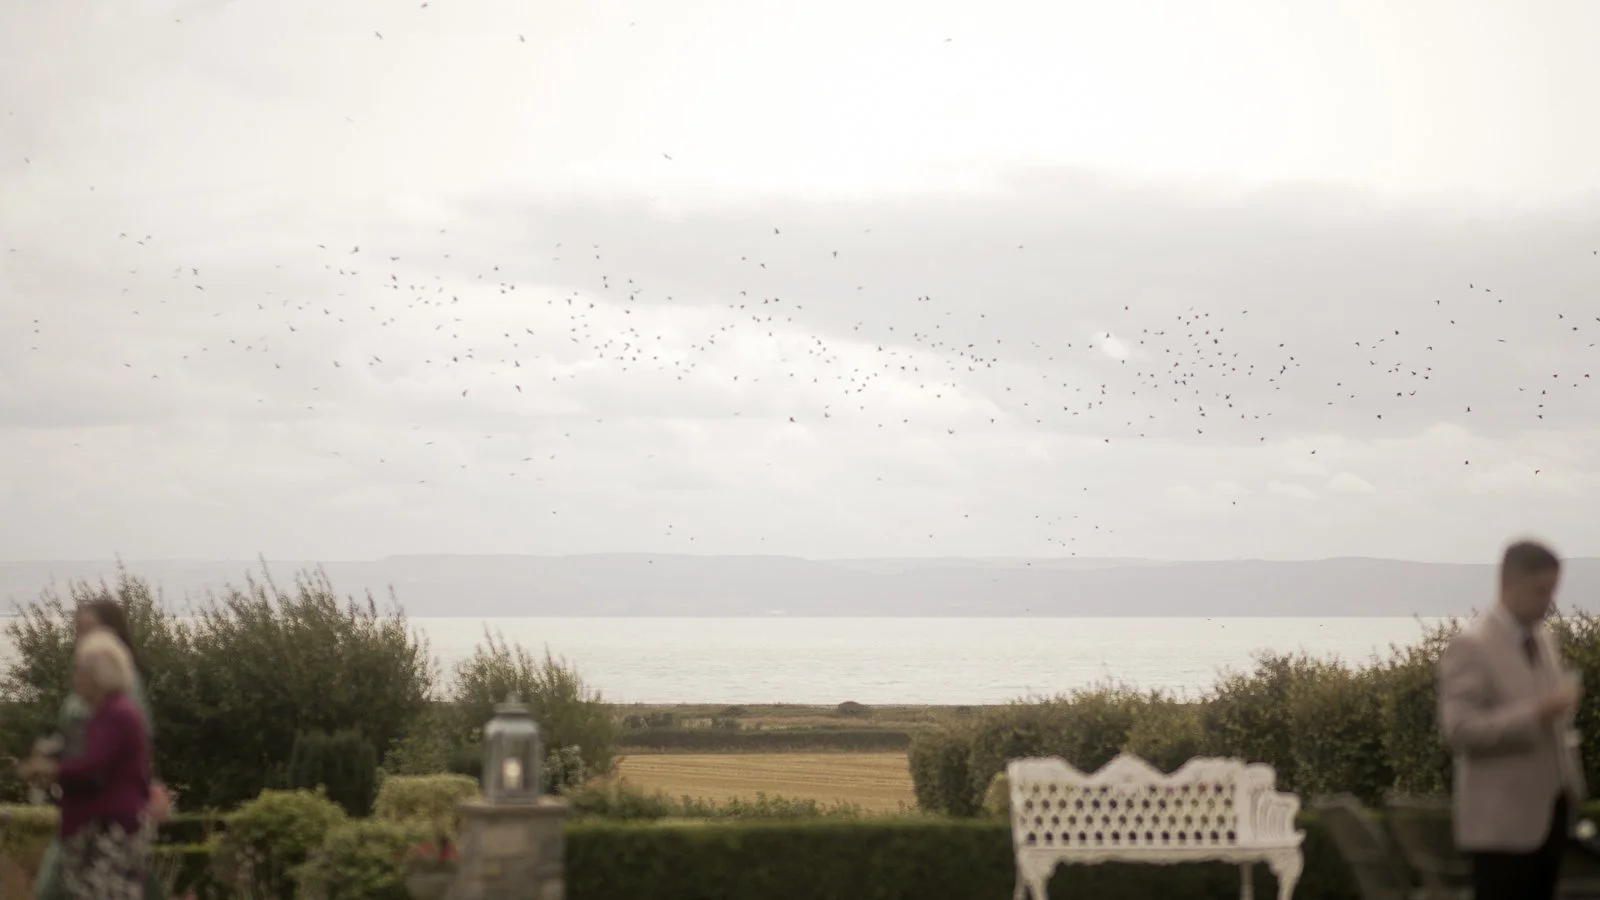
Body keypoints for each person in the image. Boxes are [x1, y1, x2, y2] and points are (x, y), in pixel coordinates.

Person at [1438, 539, 1587, 900]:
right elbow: (1459, 730)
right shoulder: (1470, 646)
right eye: (1540, 591)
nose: (1547, 602)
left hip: (1549, 818)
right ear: (1509, 583)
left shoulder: (1545, 640)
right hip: (1500, 830)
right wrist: (1537, 713)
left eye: (1552, 591)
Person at [31, 600, 169, 900]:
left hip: (105, 810)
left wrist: (150, 789)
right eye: (78, 629)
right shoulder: (87, 679)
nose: (83, 635)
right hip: (84, 808)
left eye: (90, 628)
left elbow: (131, 746)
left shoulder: (119, 688)